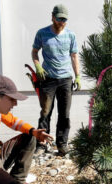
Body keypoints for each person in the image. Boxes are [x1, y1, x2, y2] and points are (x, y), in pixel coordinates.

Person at [31, 4, 81, 156]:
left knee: (64, 114)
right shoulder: (42, 33)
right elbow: (34, 52)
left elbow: (74, 56)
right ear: (52, 16)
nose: (62, 22)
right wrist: (38, 66)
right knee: (46, 112)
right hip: (48, 79)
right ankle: (41, 143)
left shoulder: (70, 35)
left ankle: (61, 143)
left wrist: (77, 76)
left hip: (65, 79)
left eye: (64, 20)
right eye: (59, 19)